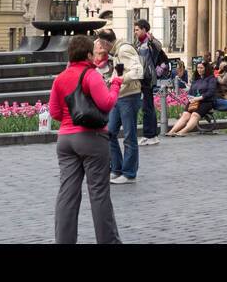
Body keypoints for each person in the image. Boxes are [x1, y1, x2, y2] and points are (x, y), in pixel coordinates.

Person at [50, 34, 123, 244]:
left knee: (67, 194)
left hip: (65, 140)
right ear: (88, 53)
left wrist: (69, 117)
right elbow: (107, 103)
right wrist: (116, 82)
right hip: (91, 138)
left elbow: (54, 112)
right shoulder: (91, 75)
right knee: (99, 193)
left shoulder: (60, 77)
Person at [95, 28, 143, 184]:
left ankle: (129, 174)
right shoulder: (118, 51)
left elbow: (138, 71)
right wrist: (115, 78)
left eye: (101, 44)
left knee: (129, 136)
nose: (101, 48)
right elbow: (122, 70)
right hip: (120, 96)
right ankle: (116, 169)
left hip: (129, 96)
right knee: (109, 133)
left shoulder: (124, 50)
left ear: (106, 42)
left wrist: (120, 79)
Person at [136, 18, 168, 146]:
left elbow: (158, 47)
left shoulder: (149, 42)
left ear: (144, 29)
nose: (135, 32)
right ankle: (151, 134)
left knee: (147, 107)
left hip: (147, 78)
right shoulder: (139, 43)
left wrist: (152, 40)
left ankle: (149, 134)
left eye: (137, 29)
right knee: (148, 107)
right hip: (142, 77)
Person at [165, 60, 217, 136]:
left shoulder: (211, 79)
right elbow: (190, 91)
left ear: (206, 68)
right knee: (185, 115)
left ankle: (183, 131)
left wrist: (198, 98)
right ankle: (172, 131)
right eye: (198, 68)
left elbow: (211, 92)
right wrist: (190, 98)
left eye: (201, 68)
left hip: (205, 102)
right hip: (193, 101)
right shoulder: (196, 79)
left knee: (194, 115)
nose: (199, 70)